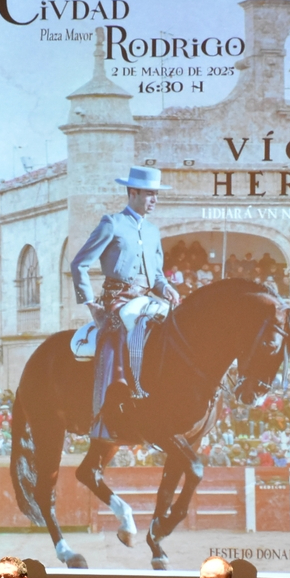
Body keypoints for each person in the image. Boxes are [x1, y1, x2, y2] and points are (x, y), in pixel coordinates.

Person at [70, 165, 180, 438]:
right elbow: (79, 263)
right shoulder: (112, 224)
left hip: (145, 298)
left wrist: (167, 288)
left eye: (156, 194)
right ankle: (111, 403)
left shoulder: (153, 231)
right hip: (116, 299)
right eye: (149, 194)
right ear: (133, 193)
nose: (154, 199)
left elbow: (156, 276)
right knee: (120, 330)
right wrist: (91, 304)